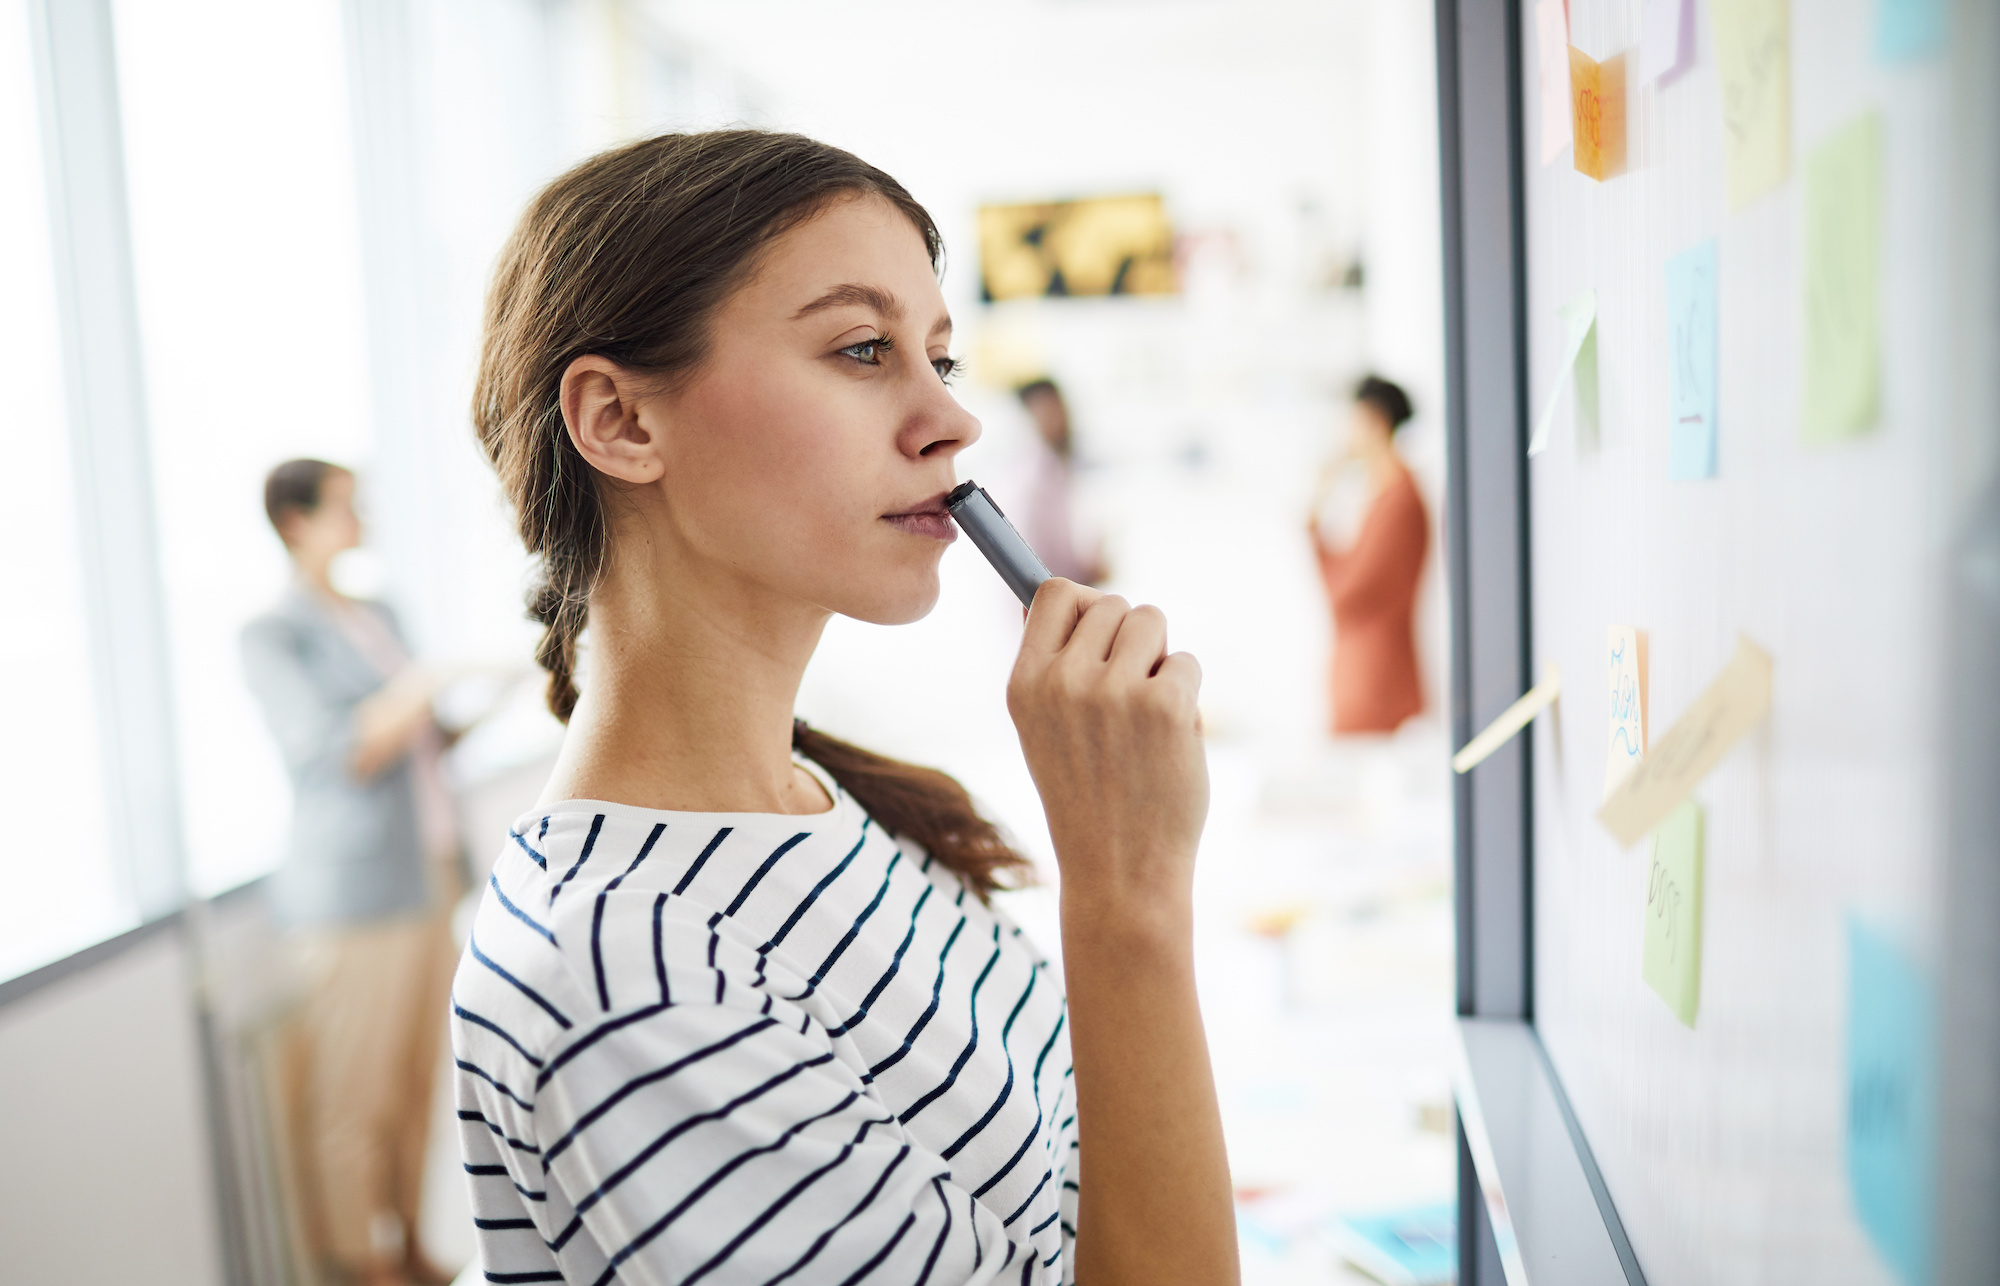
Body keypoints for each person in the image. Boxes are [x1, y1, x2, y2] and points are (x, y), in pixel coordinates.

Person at [451, 131, 1237, 1285]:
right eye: (862, 349)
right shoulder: (627, 970)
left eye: (939, 358)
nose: (951, 422)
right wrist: (1128, 896)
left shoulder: (815, 799)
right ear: (620, 420)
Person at [241, 460, 466, 1286]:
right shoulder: (274, 633)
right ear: (295, 522)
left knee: (417, 1081)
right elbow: (340, 753)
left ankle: (412, 1249)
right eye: (344, 505)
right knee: (354, 1096)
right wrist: (424, 685)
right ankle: (363, 1266)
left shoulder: (380, 612)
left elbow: (421, 740)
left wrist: (458, 705)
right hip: (354, 896)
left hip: (430, 870)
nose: (360, 516)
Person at [1308, 375, 1429, 735]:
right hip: (1365, 676)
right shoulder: (1382, 496)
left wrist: (1315, 519)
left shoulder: (1399, 500)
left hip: (1377, 684)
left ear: (1375, 422)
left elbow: (1346, 595)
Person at [1013, 378, 1106, 585]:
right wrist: (1087, 574)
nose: (1061, 418)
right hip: (1050, 598)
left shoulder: (1057, 465)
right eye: (1047, 411)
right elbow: (1038, 554)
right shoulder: (1035, 476)